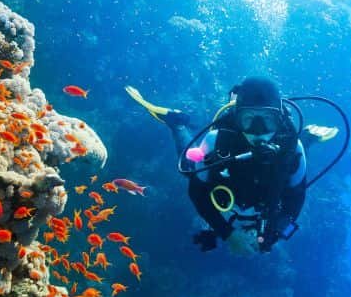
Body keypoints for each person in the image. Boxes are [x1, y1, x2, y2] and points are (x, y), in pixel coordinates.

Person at [126, 76, 339, 253]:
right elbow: (197, 194)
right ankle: (178, 123)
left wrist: (272, 235)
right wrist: (228, 234)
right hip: (222, 176)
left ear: (279, 119)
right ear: (237, 118)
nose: (259, 131)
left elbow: (296, 198)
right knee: (189, 167)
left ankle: (309, 136)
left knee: (292, 152)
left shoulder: (294, 148)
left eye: (268, 120)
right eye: (249, 119)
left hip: (281, 159)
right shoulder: (216, 139)